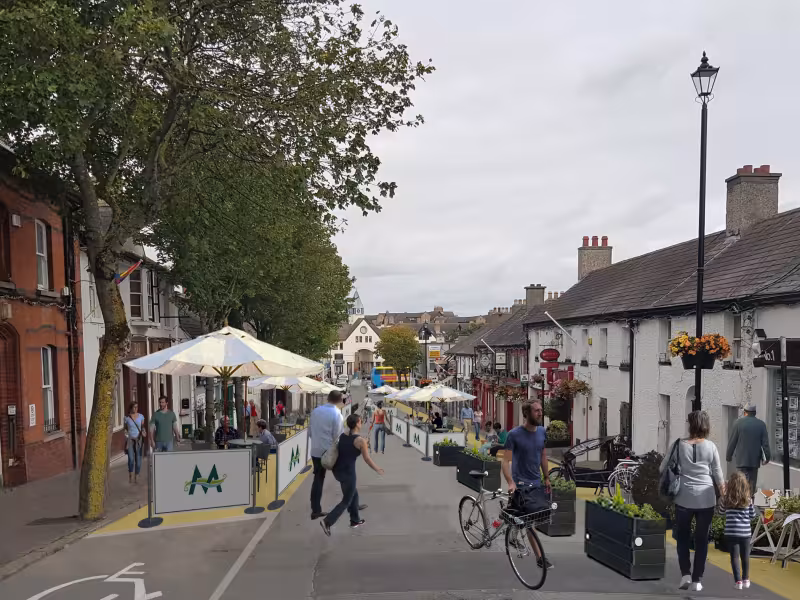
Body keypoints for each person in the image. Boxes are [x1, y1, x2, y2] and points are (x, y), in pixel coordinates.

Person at [660, 410, 724, 593]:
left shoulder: (678, 445)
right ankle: (697, 580)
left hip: (684, 498)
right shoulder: (711, 447)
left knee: (682, 537)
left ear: (691, 425)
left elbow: (662, 467)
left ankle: (686, 574)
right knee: (702, 540)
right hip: (706, 499)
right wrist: (724, 494)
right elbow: (718, 473)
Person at [501, 401, 553, 569]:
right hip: (520, 484)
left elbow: (543, 455)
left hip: (536, 482)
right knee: (531, 522)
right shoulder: (514, 435)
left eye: (541, 410)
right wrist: (510, 482)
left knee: (527, 517)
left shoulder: (542, 432)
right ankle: (540, 558)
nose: (540, 413)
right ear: (527, 413)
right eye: (536, 410)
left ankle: (512, 528)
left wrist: (546, 477)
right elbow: (505, 460)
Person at [320, 414, 384, 536]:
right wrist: (377, 469)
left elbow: (350, 446)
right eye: (360, 421)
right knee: (346, 500)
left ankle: (355, 520)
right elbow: (367, 459)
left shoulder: (344, 435)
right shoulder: (360, 441)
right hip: (348, 474)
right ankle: (327, 521)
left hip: (338, 471)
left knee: (353, 493)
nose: (361, 422)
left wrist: (364, 444)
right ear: (357, 423)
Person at [309, 390, 345, 520]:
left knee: (318, 479)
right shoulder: (337, 414)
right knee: (345, 477)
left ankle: (315, 510)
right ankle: (353, 504)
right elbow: (338, 436)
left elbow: (310, 431)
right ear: (340, 400)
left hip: (315, 450)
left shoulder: (315, 411)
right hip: (329, 452)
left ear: (328, 398)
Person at [720, 471, 757, 590]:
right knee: (745, 556)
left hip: (731, 532)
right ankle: (746, 579)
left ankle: (738, 581)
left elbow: (720, 513)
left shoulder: (726, 499)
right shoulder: (748, 499)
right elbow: (752, 515)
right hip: (745, 533)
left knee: (734, 557)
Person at [726, 403, 770, 497]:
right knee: (751, 484)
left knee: (741, 483)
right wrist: (767, 457)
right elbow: (765, 444)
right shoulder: (761, 424)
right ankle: (750, 501)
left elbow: (732, 441)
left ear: (745, 412)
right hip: (754, 461)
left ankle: (741, 501)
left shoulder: (738, 423)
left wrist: (728, 456)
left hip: (741, 460)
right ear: (755, 413)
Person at [124, 402, 146, 483]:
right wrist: (127, 437)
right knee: (131, 458)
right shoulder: (127, 418)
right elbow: (125, 429)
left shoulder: (141, 416)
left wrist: (143, 432)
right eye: (134, 407)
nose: (136, 409)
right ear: (131, 408)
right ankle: (131, 473)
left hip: (138, 440)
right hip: (130, 440)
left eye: (137, 407)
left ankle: (137, 475)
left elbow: (142, 427)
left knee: (138, 459)